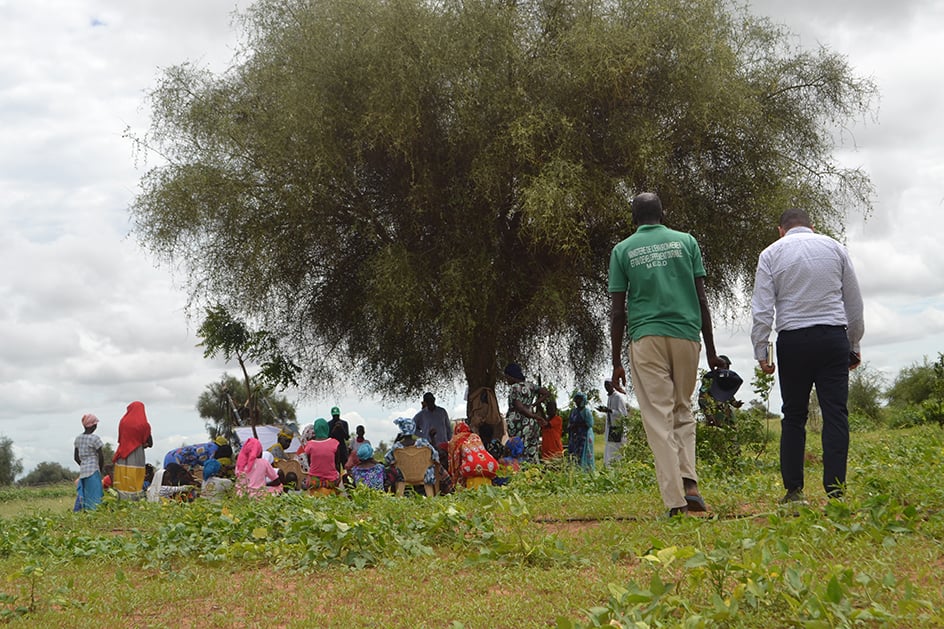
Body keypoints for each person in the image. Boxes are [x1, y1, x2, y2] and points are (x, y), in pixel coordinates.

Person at [609, 192, 725, 516]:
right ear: (663, 212)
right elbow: (702, 299)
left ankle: (676, 502)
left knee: (658, 417)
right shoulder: (687, 242)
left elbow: (618, 312)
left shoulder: (622, 250)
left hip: (646, 338)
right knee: (682, 409)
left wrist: (617, 361)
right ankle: (690, 484)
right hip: (687, 335)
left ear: (633, 218)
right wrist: (712, 352)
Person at [750, 208, 864, 503]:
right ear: (812, 227)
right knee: (836, 413)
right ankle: (836, 492)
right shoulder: (835, 247)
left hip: (794, 341)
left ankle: (794, 491)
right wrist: (854, 344)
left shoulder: (770, 254)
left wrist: (762, 350)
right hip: (832, 337)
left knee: (793, 415)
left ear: (781, 230)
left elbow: (762, 309)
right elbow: (854, 302)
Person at [502, 363, 550, 464]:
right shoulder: (530, 386)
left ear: (511, 376)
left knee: (518, 449)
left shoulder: (515, 388)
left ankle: (519, 473)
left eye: (507, 377)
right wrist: (533, 405)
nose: (507, 381)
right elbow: (546, 393)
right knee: (532, 449)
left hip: (518, 424)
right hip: (532, 424)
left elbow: (519, 407)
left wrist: (533, 414)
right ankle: (534, 472)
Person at [386, 417, 439, 489]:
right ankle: (443, 490)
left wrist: (396, 441)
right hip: (424, 475)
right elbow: (435, 456)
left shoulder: (397, 447)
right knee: (437, 467)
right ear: (413, 429)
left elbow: (387, 459)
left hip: (403, 477)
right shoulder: (423, 443)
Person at [113, 401, 153, 494]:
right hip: (137, 455)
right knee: (135, 479)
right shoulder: (144, 425)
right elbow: (150, 443)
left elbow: (120, 439)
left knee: (122, 480)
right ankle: (134, 501)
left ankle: (120, 501)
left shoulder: (123, 422)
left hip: (122, 454)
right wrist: (142, 444)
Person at [447, 421, 498, 488]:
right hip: (488, 466)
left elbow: (454, 463)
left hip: (471, 468)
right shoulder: (475, 436)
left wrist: (455, 482)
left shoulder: (454, 440)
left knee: (473, 495)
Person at [698, 355, 744, 427]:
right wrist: (708, 415)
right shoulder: (710, 378)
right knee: (715, 435)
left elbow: (729, 397)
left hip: (727, 416)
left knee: (731, 435)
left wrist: (736, 403)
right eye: (726, 365)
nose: (728, 368)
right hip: (714, 415)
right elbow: (702, 399)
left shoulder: (726, 378)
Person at [74, 413, 104, 511]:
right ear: (93, 425)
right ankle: (95, 513)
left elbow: (76, 457)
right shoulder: (95, 438)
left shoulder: (78, 439)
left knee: (86, 495)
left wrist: (83, 464)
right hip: (93, 470)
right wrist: (100, 468)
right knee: (95, 495)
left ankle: (86, 512)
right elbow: (101, 456)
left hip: (83, 471)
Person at [597, 379, 629, 466]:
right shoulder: (610, 397)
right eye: (605, 386)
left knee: (617, 449)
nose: (606, 387)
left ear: (612, 385)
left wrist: (609, 410)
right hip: (611, 428)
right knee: (610, 449)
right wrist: (605, 410)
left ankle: (618, 467)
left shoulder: (618, 397)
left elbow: (622, 414)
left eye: (608, 385)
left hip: (618, 428)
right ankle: (609, 467)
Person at [304, 418, 340, 491]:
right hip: (331, 481)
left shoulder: (310, 444)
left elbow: (309, 463)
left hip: (314, 482)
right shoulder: (334, 443)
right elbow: (337, 464)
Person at [163, 436, 229, 470]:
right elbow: (210, 465)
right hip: (178, 458)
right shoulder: (213, 450)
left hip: (171, 454)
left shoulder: (208, 445)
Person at [566, 392, 595, 471]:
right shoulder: (573, 411)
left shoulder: (586, 411)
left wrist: (578, 425)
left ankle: (586, 471)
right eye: (576, 399)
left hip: (584, 437)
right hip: (575, 437)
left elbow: (590, 424)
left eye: (580, 399)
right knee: (574, 455)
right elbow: (570, 422)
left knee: (585, 454)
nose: (577, 401)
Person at [327, 406, 350, 473]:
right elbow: (328, 437)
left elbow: (347, 437)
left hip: (342, 447)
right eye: (334, 416)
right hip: (333, 448)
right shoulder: (329, 424)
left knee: (345, 466)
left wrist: (341, 428)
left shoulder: (344, 423)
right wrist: (334, 428)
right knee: (335, 468)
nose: (336, 417)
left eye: (337, 415)